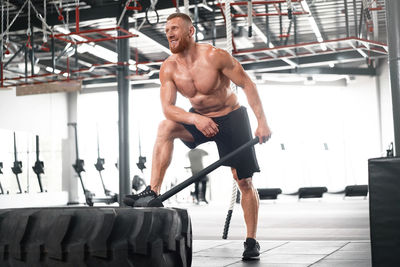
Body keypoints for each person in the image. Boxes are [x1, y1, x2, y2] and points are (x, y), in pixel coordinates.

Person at [124, 12, 272, 261]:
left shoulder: (215, 56)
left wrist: (262, 122)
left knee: (243, 181)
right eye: (167, 30)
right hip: (200, 119)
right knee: (165, 127)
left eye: (174, 28)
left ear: (190, 32)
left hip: (232, 118)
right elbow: (168, 108)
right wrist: (195, 118)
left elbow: (248, 84)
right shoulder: (169, 68)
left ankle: (251, 240)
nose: (169, 33)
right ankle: (152, 190)